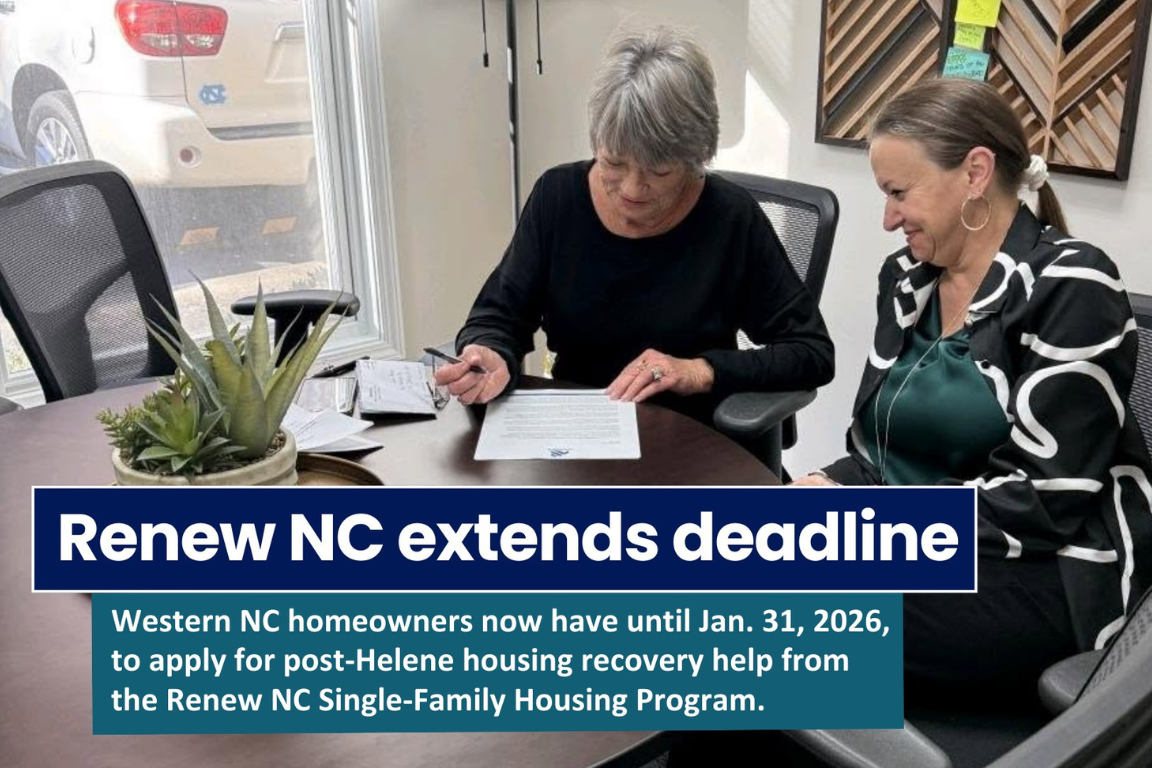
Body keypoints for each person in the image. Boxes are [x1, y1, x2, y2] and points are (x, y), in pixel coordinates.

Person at [794, 78, 1152, 696]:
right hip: (916, 542)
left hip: (1037, 575)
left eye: (899, 193)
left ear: (976, 172)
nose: (887, 219)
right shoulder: (909, 281)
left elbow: (1042, 503)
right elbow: (880, 447)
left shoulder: (1073, 285)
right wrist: (830, 484)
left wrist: (866, 526)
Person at [434, 28, 833, 426]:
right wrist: (489, 351)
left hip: (692, 440)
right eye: (614, 162)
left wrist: (699, 370)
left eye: (658, 170)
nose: (631, 188)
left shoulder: (730, 217)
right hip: (576, 433)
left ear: (695, 158)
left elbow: (811, 352)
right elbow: (500, 314)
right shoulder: (558, 197)